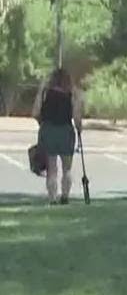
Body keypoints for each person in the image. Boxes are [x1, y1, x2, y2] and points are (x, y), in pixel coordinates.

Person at [32, 67, 83, 205]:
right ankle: (65, 196)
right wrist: (79, 128)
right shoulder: (73, 93)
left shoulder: (45, 92)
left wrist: (42, 123)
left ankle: (53, 198)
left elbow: (35, 112)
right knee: (67, 168)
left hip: (48, 129)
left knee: (52, 168)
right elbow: (77, 116)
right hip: (66, 131)